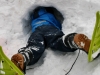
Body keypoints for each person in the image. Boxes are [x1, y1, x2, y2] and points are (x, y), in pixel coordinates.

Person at [11, 6, 91, 74]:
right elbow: (58, 24)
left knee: (34, 46)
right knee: (58, 40)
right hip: (50, 29)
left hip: (36, 32)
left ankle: (23, 56)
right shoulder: (50, 16)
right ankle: (73, 40)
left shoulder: (34, 18)